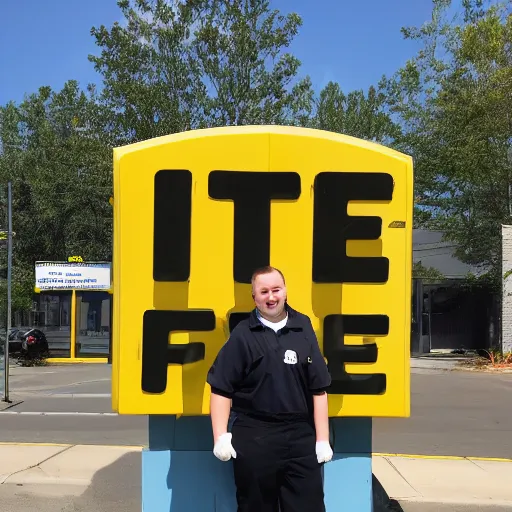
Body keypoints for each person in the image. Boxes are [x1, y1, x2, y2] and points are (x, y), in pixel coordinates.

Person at [206, 265, 333, 512]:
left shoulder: (303, 326)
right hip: (255, 434)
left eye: (276, 290)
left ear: (285, 291)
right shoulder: (243, 333)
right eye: (263, 292)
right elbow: (221, 388)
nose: (271, 297)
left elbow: (319, 388)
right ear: (254, 297)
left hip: (300, 435)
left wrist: (322, 439)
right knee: (255, 506)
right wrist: (220, 436)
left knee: (308, 506)